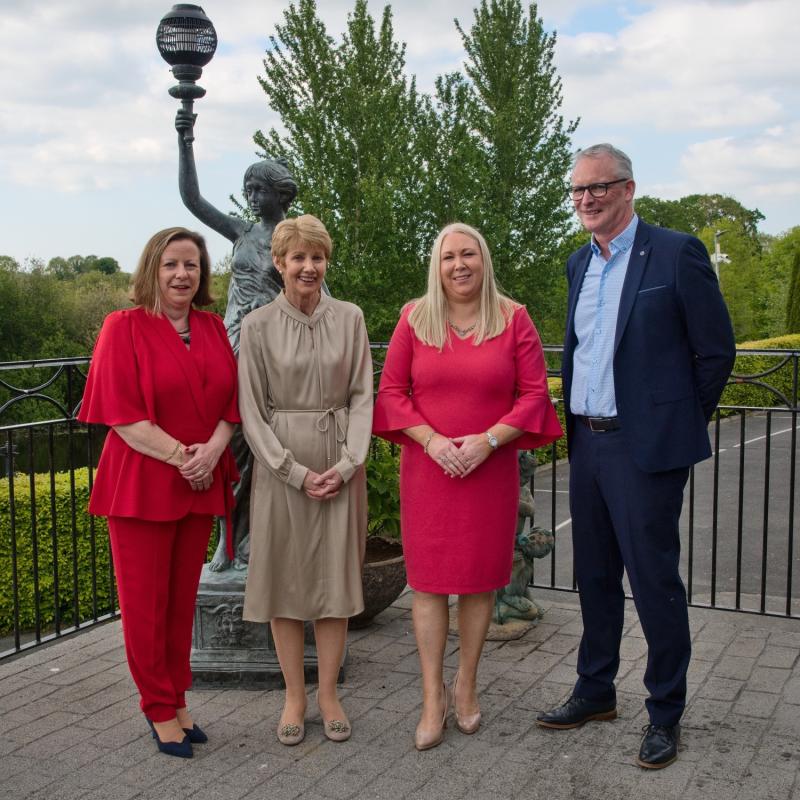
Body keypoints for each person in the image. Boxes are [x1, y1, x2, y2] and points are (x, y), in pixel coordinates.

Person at [535, 144, 736, 769]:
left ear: (629, 189)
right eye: (577, 190)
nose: (586, 199)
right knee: (593, 576)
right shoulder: (577, 264)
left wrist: (672, 424)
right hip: (588, 445)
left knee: (653, 583)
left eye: (599, 187)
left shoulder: (675, 253)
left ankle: (665, 713)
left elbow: (717, 351)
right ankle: (595, 691)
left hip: (644, 450)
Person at [373, 222, 562, 751]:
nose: (459, 264)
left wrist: (487, 441)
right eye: (448, 256)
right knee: (430, 584)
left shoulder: (513, 317)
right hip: (429, 470)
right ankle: (432, 697)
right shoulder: (415, 317)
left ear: (484, 260)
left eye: (469, 254)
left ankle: (467, 686)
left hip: (489, 469)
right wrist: (433, 442)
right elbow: (390, 391)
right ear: (437, 265)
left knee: (480, 583)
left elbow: (532, 395)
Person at [78, 227, 239, 758]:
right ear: (152, 268)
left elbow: (229, 406)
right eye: (171, 264)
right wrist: (183, 458)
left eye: (191, 266)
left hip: (197, 482)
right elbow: (122, 416)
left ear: (203, 275)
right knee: (145, 606)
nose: (181, 275)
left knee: (179, 605)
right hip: (142, 485)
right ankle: (157, 708)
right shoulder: (122, 328)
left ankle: (177, 698)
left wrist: (213, 452)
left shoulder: (213, 328)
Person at [238, 214, 373, 746]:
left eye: (317, 257)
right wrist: (292, 471)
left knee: (335, 584)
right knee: (285, 585)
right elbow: (252, 411)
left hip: (341, 466)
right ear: (279, 263)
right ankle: (294, 695)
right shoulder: (257, 327)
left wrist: (346, 464)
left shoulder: (352, 318)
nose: (309, 267)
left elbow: (363, 395)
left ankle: (329, 694)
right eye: (298, 258)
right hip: (282, 470)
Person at [175, 107, 299, 571]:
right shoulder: (242, 232)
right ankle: (227, 541)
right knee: (230, 449)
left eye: (258, 189)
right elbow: (192, 200)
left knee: (268, 451)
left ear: (279, 194)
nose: (250, 197)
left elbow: (316, 293)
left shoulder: (292, 239)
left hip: (273, 353)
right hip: (233, 348)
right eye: (247, 189)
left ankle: (257, 541)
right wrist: (185, 141)